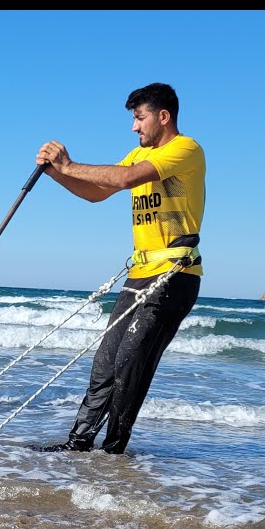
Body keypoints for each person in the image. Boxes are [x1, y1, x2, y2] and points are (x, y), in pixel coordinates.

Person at [30, 82, 205, 454]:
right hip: (139, 273)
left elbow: (125, 179)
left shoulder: (184, 150)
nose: (134, 127)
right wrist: (56, 174)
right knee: (106, 360)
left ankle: (113, 451)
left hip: (175, 276)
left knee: (130, 364)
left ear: (163, 116)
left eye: (139, 118)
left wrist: (70, 164)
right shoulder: (135, 156)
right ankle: (78, 443)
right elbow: (97, 192)